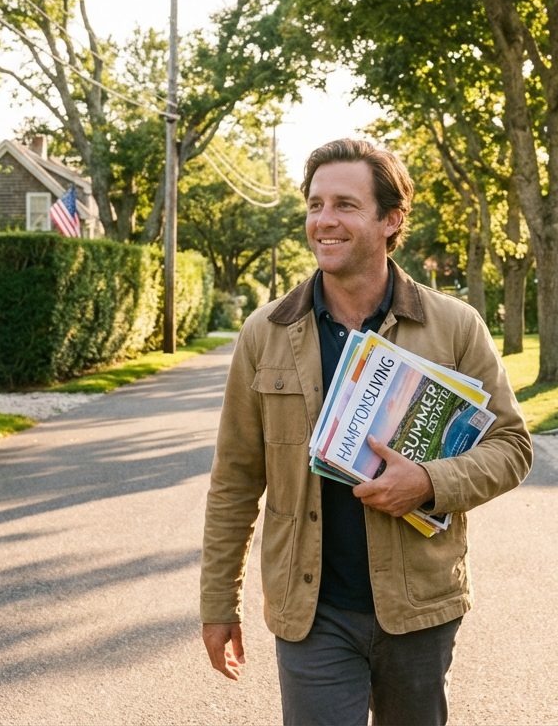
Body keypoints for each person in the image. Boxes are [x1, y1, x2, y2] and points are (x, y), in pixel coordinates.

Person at [200, 138, 533, 726]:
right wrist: (217, 602)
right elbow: (235, 478)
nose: (323, 220)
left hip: (418, 607)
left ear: (391, 219)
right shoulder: (265, 333)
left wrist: (429, 482)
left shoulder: (454, 326)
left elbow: (511, 447)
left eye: (345, 205)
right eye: (314, 204)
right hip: (311, 610)